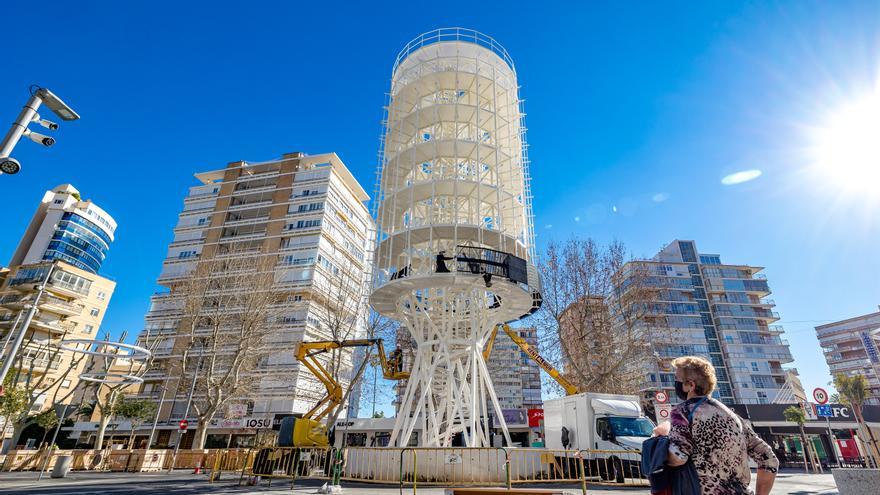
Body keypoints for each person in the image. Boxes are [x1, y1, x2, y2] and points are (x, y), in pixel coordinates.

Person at [653, 356, 778, 495]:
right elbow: (769, 460)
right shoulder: (734, 417)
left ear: (690, 385)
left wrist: (662, 439)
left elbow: (678, 457)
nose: (674, 384)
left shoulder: (682, 412)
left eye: (677, 380)